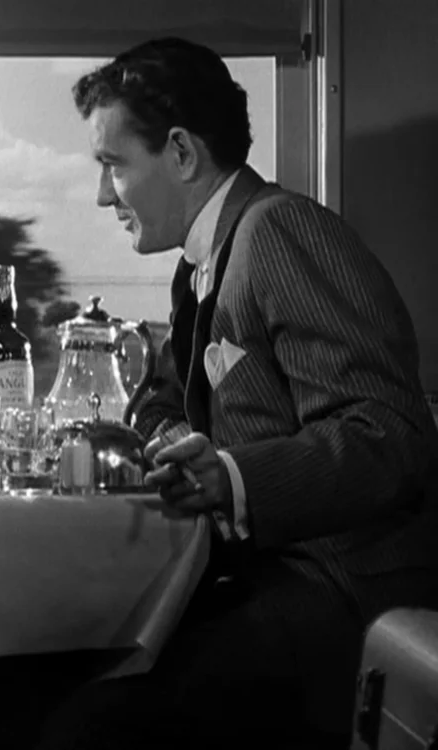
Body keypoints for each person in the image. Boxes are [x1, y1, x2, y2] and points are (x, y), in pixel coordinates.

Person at [25, 36, 438, 749]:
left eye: (113, 165)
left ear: (182, 153)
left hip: (338, 591)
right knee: (37, 670)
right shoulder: (199, 267)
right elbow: (160, 401)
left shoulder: (280, 231)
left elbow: (390, 434)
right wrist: (170, 444)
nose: (102, 195)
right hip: (265, 578)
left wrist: (233, 475)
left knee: (87, 725)